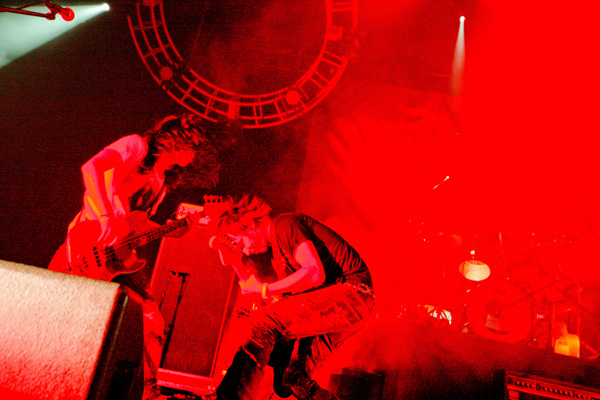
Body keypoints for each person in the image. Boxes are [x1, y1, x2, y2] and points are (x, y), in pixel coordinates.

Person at [48, 113, 221, 399]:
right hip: (88, 244)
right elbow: (92, 168)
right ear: (178, 141)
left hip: (119, 257)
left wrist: (177, 229)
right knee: (60, 319)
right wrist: (105, 215)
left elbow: (138, 224)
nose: (196, 154)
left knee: (151, 318)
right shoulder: (136, 145)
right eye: (194, 145)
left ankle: (147, 392)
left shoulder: (162, 181)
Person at [210, 195, 375, 400]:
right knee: (291, 379)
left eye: (240, 242)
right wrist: (241, 269)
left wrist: (264, 289)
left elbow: (314, 273)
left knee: (262, 321)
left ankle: (231, 397)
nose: (245, 250)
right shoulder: (279, 257)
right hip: (343, 308)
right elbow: (284, 305)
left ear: (249, 224)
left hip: (351, 294)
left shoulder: (284, 224)